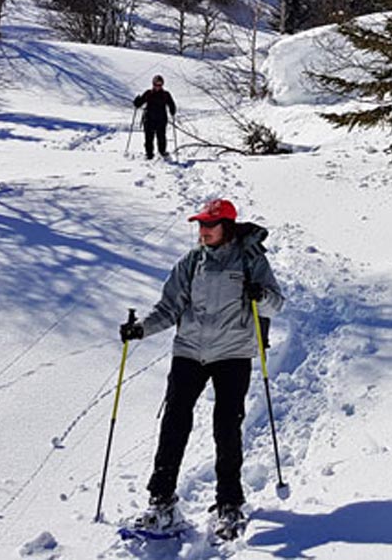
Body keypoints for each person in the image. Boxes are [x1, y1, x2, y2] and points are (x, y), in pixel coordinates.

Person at [119, 198, 285, 537]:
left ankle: (230, 504)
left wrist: (260, 295)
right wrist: (141, 329)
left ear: (227, 226)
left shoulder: (250, 260)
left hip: (233, 353)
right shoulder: (191, 262)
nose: (204, 231)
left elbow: (276, 304)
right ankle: (161, 502)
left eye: (210, 225)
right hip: (190, 351)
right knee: (174, 423)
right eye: (201, 225)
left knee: (226, 427)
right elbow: (169, 307)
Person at [133, 75, 176, 160]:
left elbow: (171, 104)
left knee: (161, 138)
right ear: (153, 84)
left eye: (160, 85)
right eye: (156, 85)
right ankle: (149, 155)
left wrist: (172, 110)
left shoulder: (165, 94)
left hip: (161, 120)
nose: (158, 87)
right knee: (149, 138)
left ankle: (162, 153)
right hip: (149, 119)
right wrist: (137, 102)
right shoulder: (149, 93)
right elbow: (140, 103)